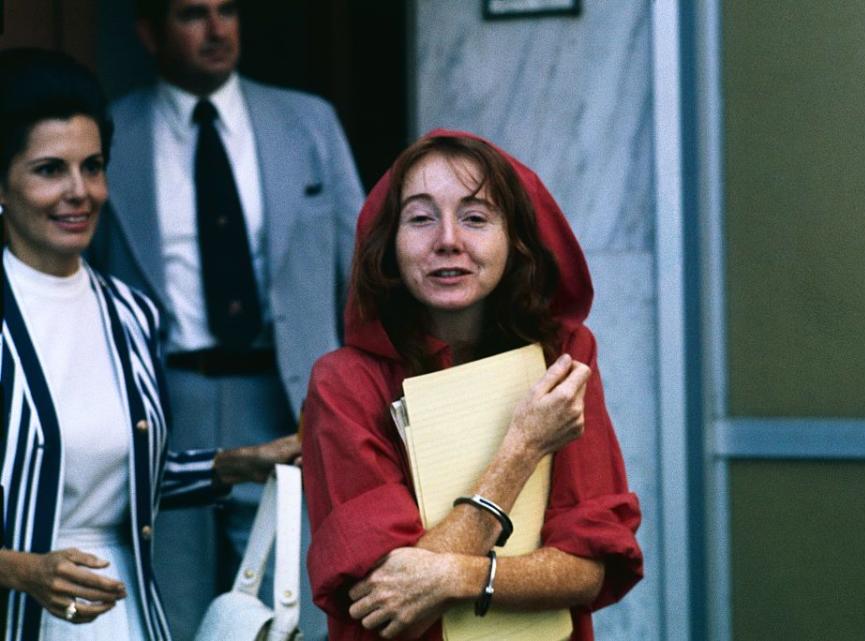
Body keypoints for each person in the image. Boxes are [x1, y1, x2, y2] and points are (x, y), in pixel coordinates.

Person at [0, 48, 300, 641]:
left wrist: (235, 465)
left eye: (93, 166)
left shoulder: (131, 313)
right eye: (49, 169)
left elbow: (125, 477)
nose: (79, 191)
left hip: (125, 611)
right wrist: (22, 569)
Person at [87, 0, 364, 636]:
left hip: (285, 397)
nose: (217, 30)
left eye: (228, 10)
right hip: (163, 405)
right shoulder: (110, 133)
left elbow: (363, 272)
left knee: (287, 609)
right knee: (171, 609)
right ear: (149, 34)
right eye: (191, 14)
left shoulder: (307, 122)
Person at [301, 130, 643, 640]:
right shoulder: (344, 383)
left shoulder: (562, 358)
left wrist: (460, 575)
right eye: (420, 218)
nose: (447, 240)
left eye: (476, 217)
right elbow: (393, 602)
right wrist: (523, 448)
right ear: (388, 245)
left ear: (516, 240)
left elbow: (588, 566)